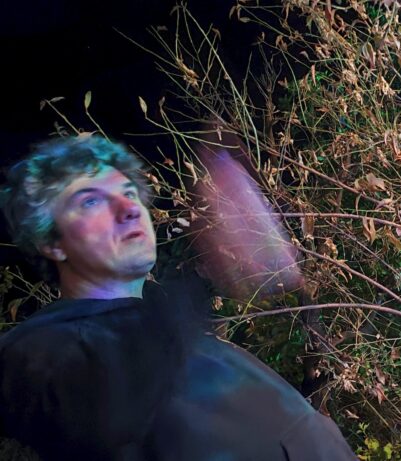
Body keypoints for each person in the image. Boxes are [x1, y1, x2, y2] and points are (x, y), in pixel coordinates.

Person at [0, 135, 356, 460]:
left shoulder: (176, 336)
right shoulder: (39, 351)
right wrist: (208, 268)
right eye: (91, 201)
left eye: (129, 192)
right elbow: (113, 406)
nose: (129, 208)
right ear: (51, 243)